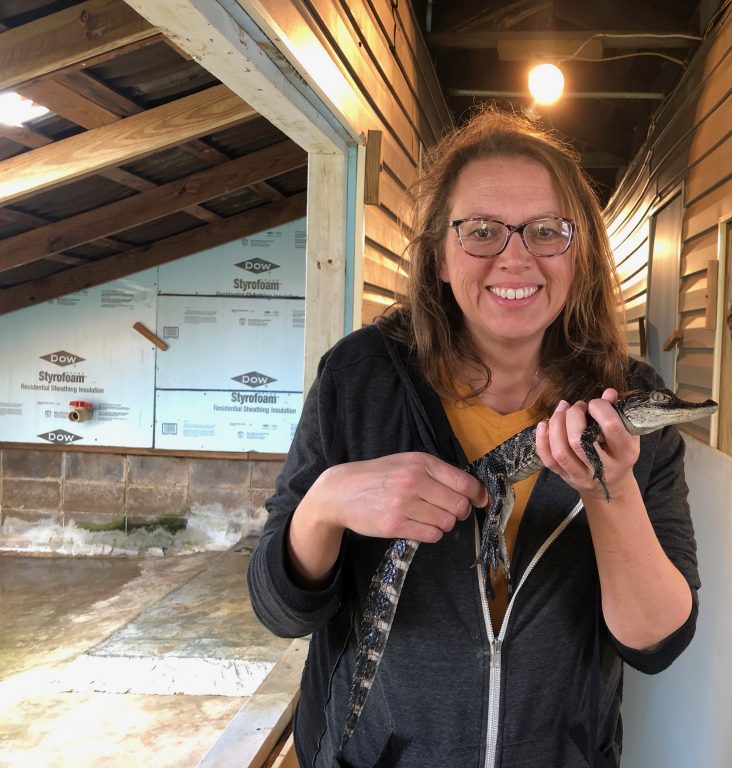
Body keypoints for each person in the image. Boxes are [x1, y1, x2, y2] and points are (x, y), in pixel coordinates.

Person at [247, 106, 700, 768]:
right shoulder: (358, 376)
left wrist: (610, 492)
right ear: (438, 256)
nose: (515, 258)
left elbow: (656, 644)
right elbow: (279, 611)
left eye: (547, 231)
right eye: (481, 230)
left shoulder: (625, 400)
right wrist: (326, 502)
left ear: (579, 256)